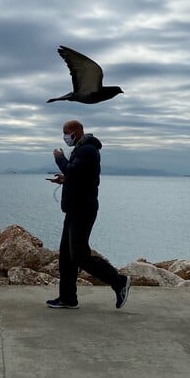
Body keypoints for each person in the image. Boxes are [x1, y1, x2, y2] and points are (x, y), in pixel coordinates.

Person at [46, 119, 131, 310]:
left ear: (76, 131)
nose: (65, 137)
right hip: (74, 209)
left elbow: (72, 170)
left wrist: (59, 158)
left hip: (82, 210)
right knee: (66, 256)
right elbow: (79, 177)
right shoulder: (81, 149)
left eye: (66, 132)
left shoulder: (87, 150)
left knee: (80, 256)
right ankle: (68, 298)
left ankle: (119, 281)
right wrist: (64, 180)